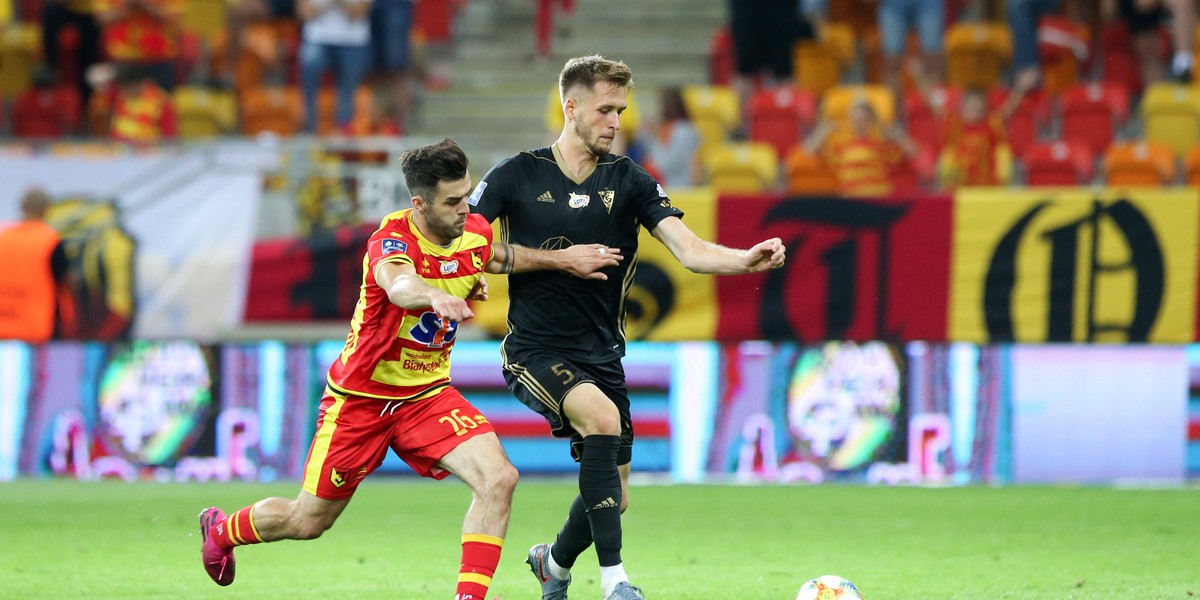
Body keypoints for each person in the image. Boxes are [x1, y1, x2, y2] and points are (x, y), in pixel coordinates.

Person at [197, 138, 621, 599]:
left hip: (426, 397)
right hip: (361, 400)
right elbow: (398, 283)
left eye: (467, 195)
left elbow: (497, 255)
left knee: (498, 478)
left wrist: (562, 261)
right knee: (308, 520)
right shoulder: (391, 240)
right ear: (420, 204)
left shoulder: (473, 229)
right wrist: (436, 295)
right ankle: (221, 531)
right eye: (452, 202)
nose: (466, 209)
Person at [471, 55, 787, 600]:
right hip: (534, 350)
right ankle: (615, 582)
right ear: (571, 108)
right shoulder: (515, 175)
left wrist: (745, 260)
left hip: (602, 355)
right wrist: (559, 260)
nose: (616, 122)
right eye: (605, 110)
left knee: (613, 499)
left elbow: (690, 251)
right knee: (602, 418)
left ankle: (553, 564)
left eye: (620, 110)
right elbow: (469, 247)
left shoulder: (631, 180)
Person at [0, 188, 74, 343]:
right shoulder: (51, 242)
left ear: (22, 207)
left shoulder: (3, 238)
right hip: (38, 330)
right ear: (46, 209)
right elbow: (64, 284)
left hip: (3, 323)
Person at [803, 98, 920, 197]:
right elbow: (808, 153)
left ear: (870, 121)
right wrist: (822, 133)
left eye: (862, 119)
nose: (857, 123)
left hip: (877, 197)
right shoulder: (840, 147)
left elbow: (914, 152)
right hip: (850, 199)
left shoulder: (881, 144)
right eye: (854, 119)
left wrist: (895, 134)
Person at [297, 0, 374, 133]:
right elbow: (305, 13)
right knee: (309, 62)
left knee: (347, 95)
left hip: (353, 42)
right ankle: (309, 129)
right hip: (317, 39)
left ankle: (343, 134)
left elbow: (358, 13)